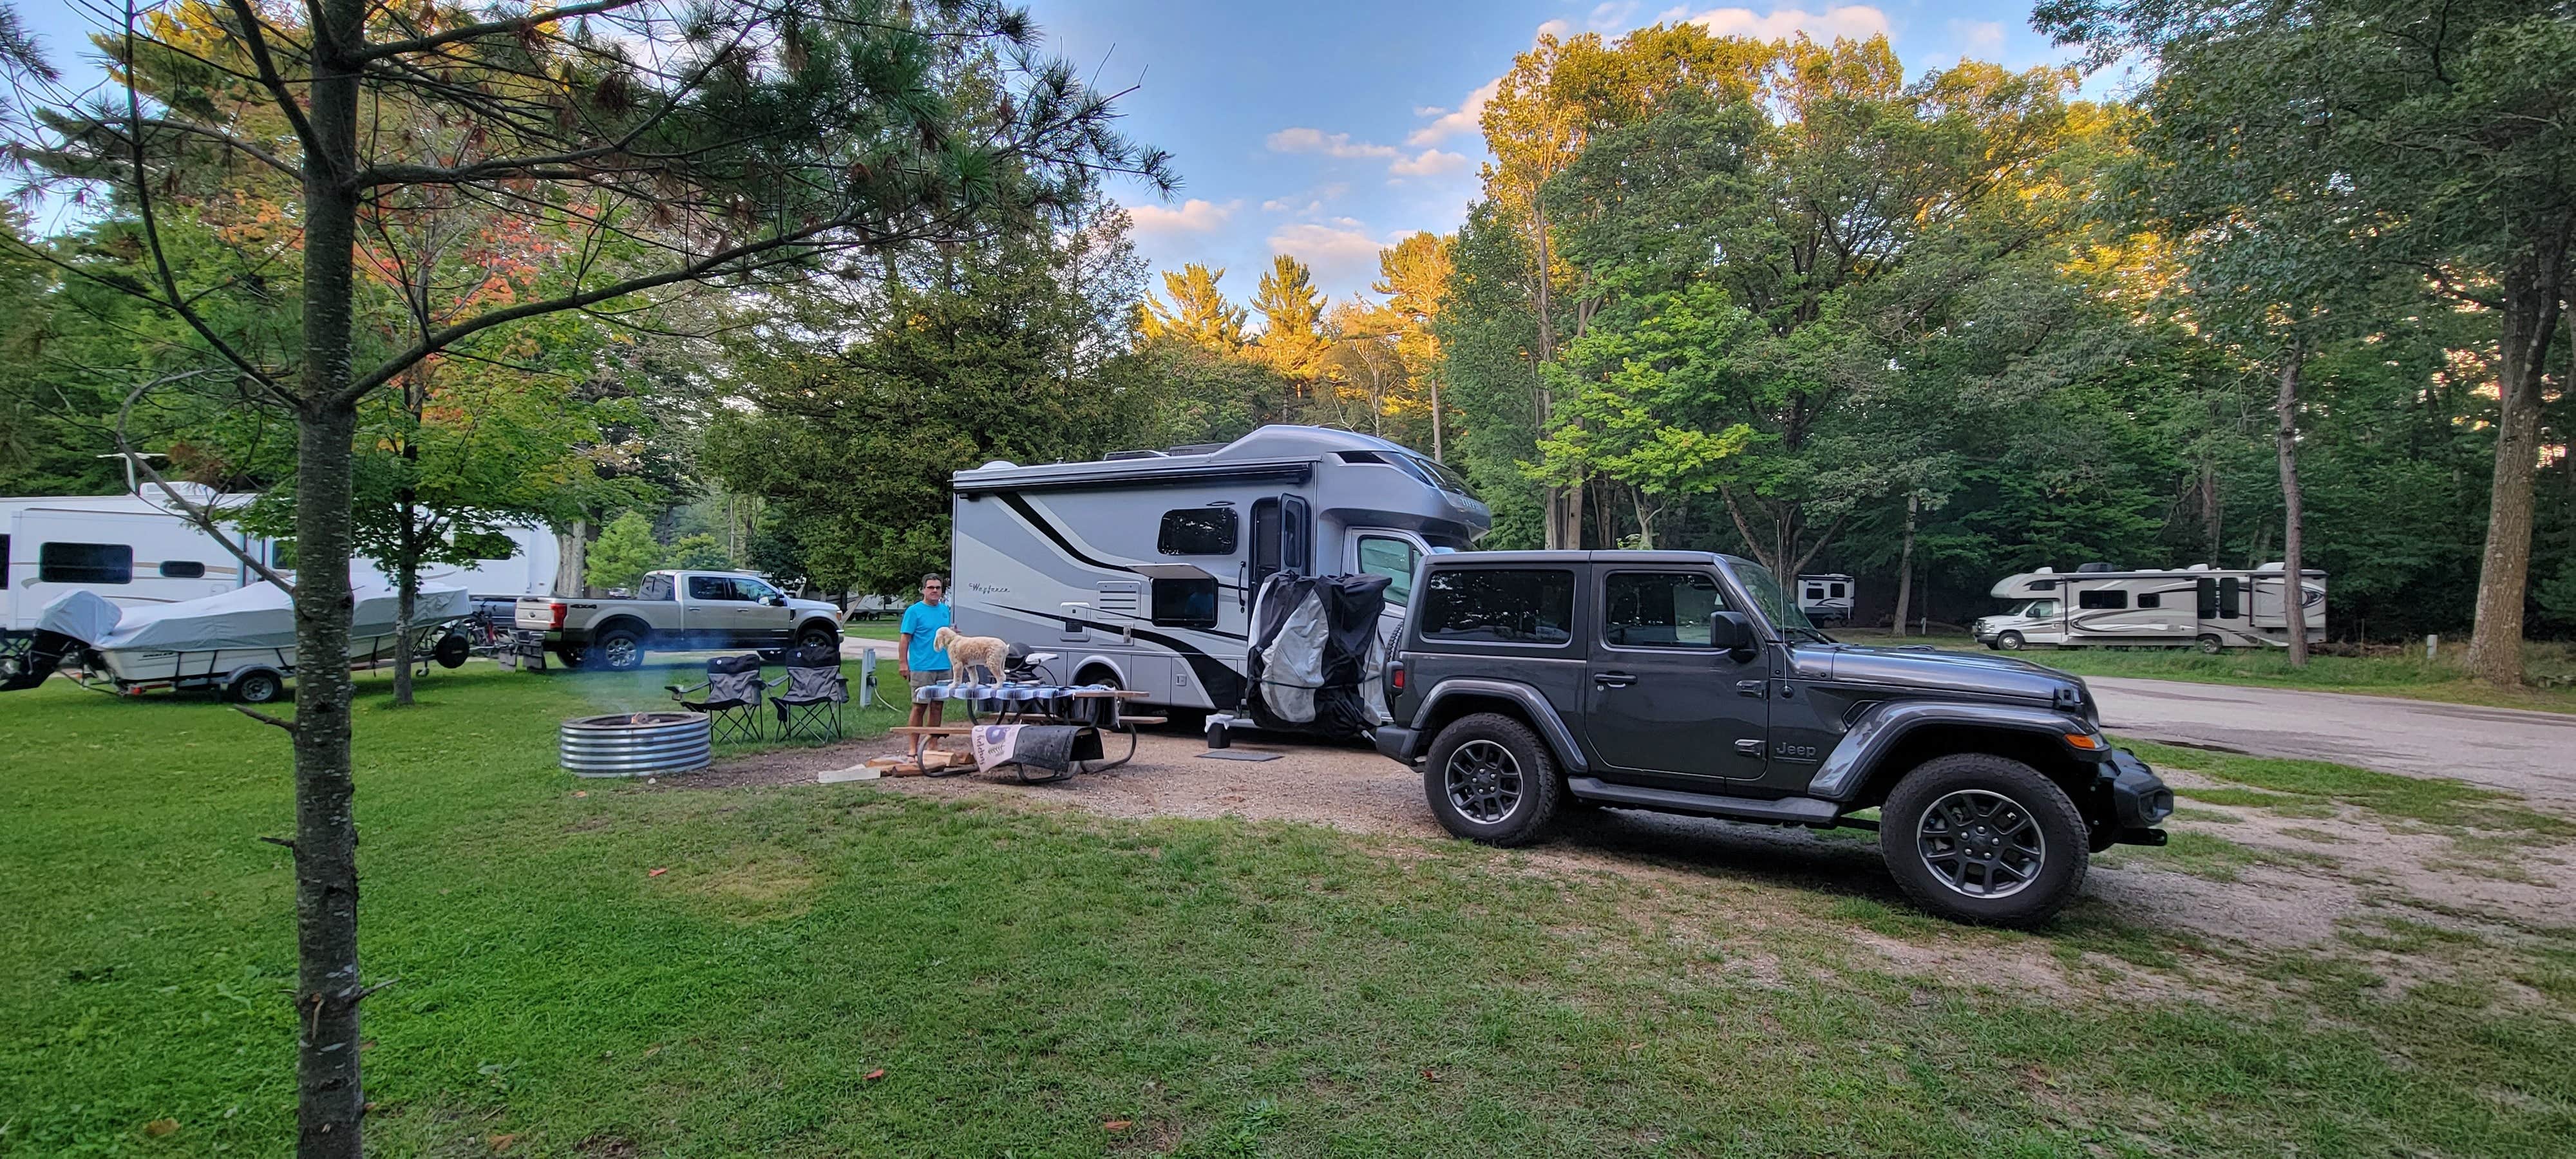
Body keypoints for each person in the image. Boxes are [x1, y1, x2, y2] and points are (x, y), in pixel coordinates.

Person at [897, 573, 954, 747]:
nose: (934, 591)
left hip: (944, 665)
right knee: (919, 706)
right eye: (931, 587)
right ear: (923, 590)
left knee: (937, 706)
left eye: (938, 588)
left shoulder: (945, 610)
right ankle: (913, 748)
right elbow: (905, 639)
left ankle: (932, 746)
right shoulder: (914, 611)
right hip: (922, 666)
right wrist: (903, 663)